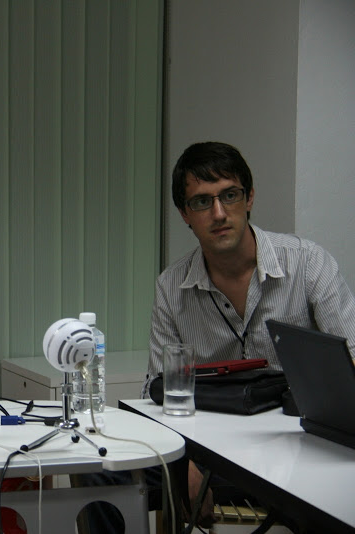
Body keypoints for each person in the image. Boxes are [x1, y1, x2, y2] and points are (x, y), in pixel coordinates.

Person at [145, 140, 355, 529]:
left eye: (230, 195)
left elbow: (352, 359)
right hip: (215, 453)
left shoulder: (307, 264)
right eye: (202, 202)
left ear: (250, 198)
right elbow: (156, 392)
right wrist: (187, 455)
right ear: (184, 215)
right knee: (108, 469)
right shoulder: (171, 287)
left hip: (298, 445)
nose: (220, 213)